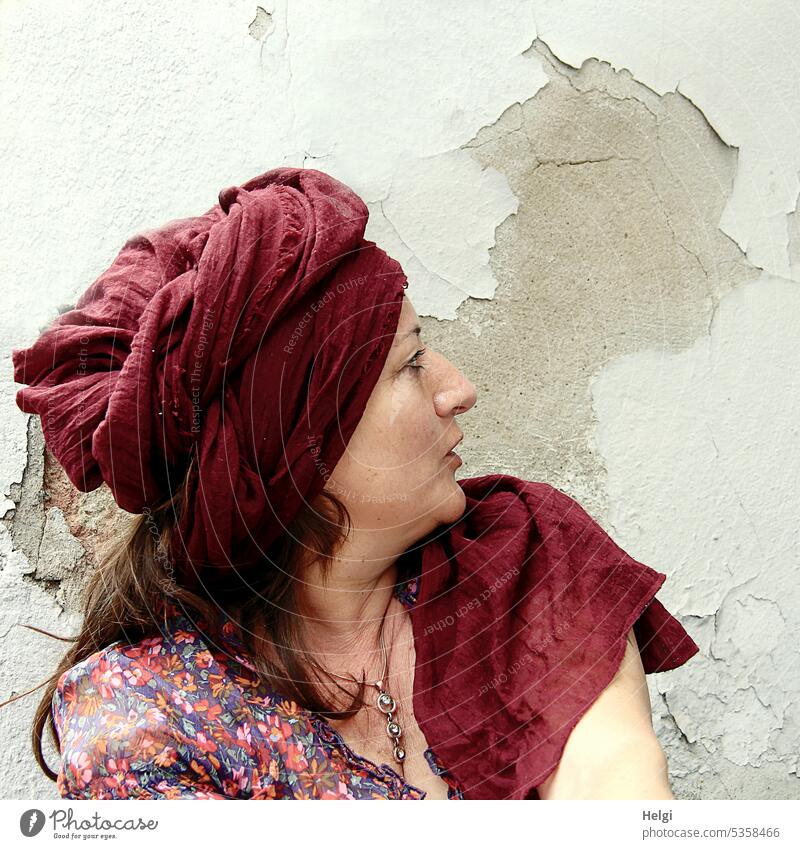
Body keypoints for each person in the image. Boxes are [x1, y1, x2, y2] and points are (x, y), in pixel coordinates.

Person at [10, 167, 699, 800]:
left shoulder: (521, 557)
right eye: (411, 361)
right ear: (299, 445)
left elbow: (615, 784)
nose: (459, 389)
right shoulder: (143, 722)